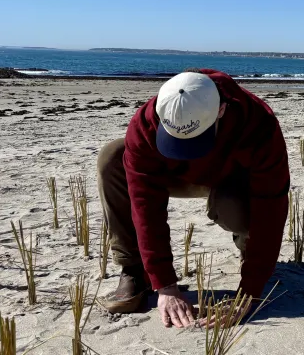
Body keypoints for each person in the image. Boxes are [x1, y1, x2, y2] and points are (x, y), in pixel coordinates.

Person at [97, 70, 290, 329]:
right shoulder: (145, 123)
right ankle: (133, 270)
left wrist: (249, 292)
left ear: (221, 110)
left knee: (235, 204)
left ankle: (249, 253)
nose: (186, 151)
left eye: (195, 141)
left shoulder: (259, 123)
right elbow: (145, 208)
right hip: (174, 175)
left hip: (230, 180)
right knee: (112, 157)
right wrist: (165, 286)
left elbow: (271, 210)